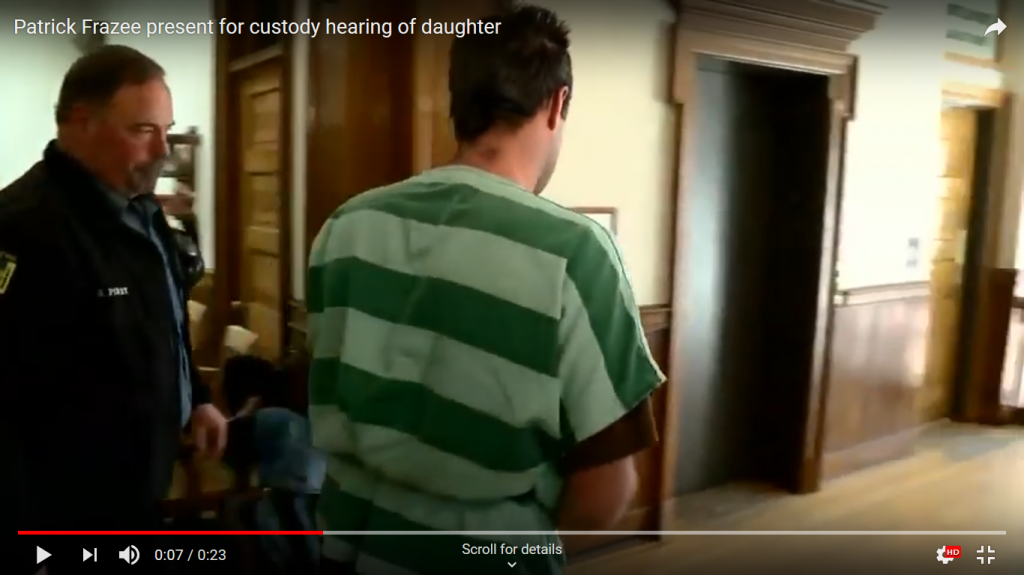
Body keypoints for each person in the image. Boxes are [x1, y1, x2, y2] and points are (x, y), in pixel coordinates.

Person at [306, 5, 665, 574]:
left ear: (459, 101)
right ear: (558, 104)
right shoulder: (576, 253)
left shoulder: (347, 225)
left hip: (343, 547)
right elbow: (605, 495)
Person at [0, 45, 228, 561]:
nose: (163, 150)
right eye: (143, 130)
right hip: (67, 514)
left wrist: (198, 397)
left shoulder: (143, 211)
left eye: (167, 130)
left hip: (142, 488)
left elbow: (165, 319)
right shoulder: (23, 227)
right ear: (81, 123)